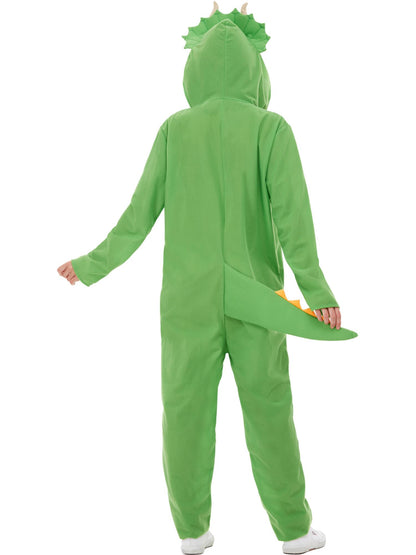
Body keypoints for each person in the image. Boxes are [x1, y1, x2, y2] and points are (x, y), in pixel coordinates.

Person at [57, 3, 350, 553]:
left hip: (187, 300)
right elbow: (294, 221)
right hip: (255, 298)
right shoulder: (271, 129)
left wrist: (92, 264)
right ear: (255, 70)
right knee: (270, 409)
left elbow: (138, 216)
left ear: (194, 68)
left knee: (185, 411)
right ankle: (294, 530)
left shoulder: (174, 130)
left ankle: (192, 531)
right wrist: (318, 293)